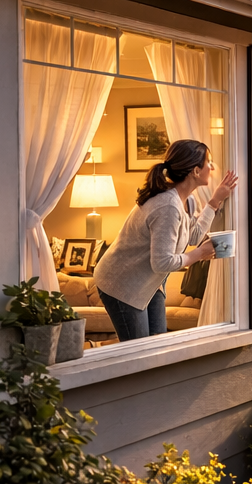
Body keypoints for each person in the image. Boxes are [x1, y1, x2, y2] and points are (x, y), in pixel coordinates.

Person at [95, 139, 239, 341]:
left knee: (158, 345)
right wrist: (199, 254)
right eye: (209, 162)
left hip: (151, 282)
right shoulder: (168, 206)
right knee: (140, 353)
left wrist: (214, 202)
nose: (212, 167)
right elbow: (162, 262)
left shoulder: (186, 200)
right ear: (195, 171)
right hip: (121, 284)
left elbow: (194, 236)